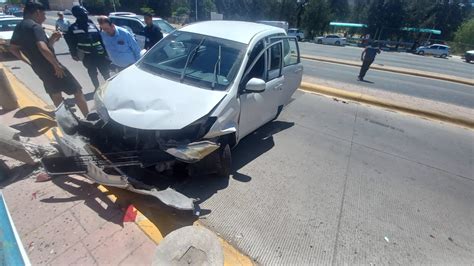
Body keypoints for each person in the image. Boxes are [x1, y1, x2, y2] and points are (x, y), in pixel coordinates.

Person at [9, 2, 88, 116]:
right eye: (44, 14)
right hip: (52, 66)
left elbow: (13, 48)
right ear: (37, 12)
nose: (45, 17)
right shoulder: (35, 26)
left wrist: (52, 39)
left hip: (39, 68)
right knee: (77, 90)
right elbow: (42, 48)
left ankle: (67, 120)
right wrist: (56, 65)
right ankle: (88, 117)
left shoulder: (19, 27)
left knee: (55, 94)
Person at [66, 6, 110, 90]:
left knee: (105, 72)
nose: (86, 17)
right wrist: (74, 54)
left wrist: (106, 52)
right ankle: (97, 88)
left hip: (99, 54)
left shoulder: (92, 25)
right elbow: (71, 43)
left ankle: (110, 88)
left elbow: (100, 39)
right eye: (83, 15)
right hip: (87, 56)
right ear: (78, 16)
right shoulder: (73, 28)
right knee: (92, 73)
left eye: (86, 15)